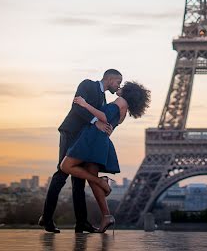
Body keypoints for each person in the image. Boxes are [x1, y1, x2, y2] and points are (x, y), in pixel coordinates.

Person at [38, 69, 123, 233]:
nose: (119, 85)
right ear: (110, 78)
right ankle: (46, 218)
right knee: (61, 173)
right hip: (71, 132)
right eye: (118, 82)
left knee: (79, 181)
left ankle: (81, 222)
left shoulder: (104, 98)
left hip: (84, 138)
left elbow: (104, 116)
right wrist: (95, 122)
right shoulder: (87, 84)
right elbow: (76, 105)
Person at [61, 81, 151, 233]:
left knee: (65, 166)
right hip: (101, 141)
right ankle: (106, 216)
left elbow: (104, 117)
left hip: (92, 138)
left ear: (128, 92)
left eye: (123, 86)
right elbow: (111, 123)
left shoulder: (120, 101)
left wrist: (85, 104)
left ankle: (101, 182)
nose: (120, 87)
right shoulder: (124, 110)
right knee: (90, 175)